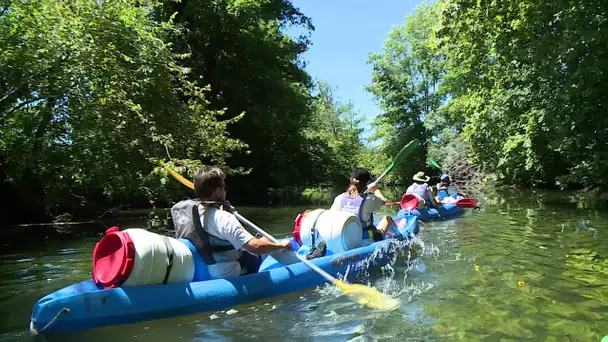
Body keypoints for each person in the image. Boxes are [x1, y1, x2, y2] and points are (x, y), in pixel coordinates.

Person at [173, 166, 292, 279]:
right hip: (227, 272)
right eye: (224, 187)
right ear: (218, 191)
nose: (225, 190)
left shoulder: (188, 212)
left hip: (201, 268)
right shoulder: (223, 218)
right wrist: (280, 245)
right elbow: (255, 247)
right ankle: (297, 266)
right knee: (265, 240)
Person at [330, 167, 397, 244]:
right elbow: (383, 201)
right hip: (365, 241)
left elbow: (332, 218)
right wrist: (375, 190)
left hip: (344, 241)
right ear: (367, 183)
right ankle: (399, 235)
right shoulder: (369, 200)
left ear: (350, 179)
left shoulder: (339, 198)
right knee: (387, 218)